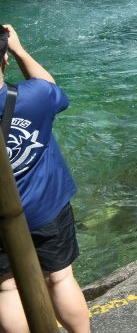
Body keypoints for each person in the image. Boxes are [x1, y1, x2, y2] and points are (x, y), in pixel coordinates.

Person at [0, 25, 90, 333]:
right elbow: (51, 89)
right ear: (5, 60)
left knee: (7, 290)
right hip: (46, 208)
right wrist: (20, 50)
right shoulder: (34, 96)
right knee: (61, 277)